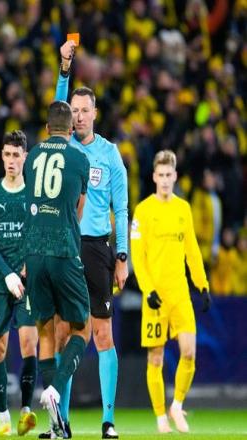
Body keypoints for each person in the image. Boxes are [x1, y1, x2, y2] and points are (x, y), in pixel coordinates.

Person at [53, 39, 128, 439]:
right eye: (74, 111)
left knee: (102, 336)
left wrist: (122, 255)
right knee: (64, 334)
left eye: (84, 110)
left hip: (98, 249)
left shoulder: (110, 154)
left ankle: (108, 420)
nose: (79, 116)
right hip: (66, 248)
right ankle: (61, 421)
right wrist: (65, 68)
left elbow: (122, 208)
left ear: (95, 113)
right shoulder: (62, 147)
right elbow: (56, 107)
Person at [131, 150, 211, 434]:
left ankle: (177, 405)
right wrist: (148, 289)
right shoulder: (143, 211)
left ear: (175, 176)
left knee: (189, 353)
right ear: (154, 176)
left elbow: (192, 250)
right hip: (155, 296)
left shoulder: (183, 209)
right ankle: (160, 417)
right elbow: (137, 256)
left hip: (179, 293)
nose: (165, 180)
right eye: (161, 175)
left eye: (169, 175)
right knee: (155, 358)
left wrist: (202, 284)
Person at [24, 101, 91, 439]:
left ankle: (54, 425)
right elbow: (78, 209)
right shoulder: (79, 159)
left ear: (47, 128)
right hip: (63, 249)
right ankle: (55, 389)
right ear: (71, 128)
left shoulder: (32, 156)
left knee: (46, 331)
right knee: (83, 328)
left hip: (33, 251)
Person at [0, 130, 38, 436]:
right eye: (7, 154)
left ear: (25, 157)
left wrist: (27, 268)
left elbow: (38, 235)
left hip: (28, 282)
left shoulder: (34, 195)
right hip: (0, 281)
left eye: (16, 155)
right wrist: (8, 273)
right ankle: (3, 415)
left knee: (29, 343)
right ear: (1, 157)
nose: (11, 160)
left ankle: (25, 411)